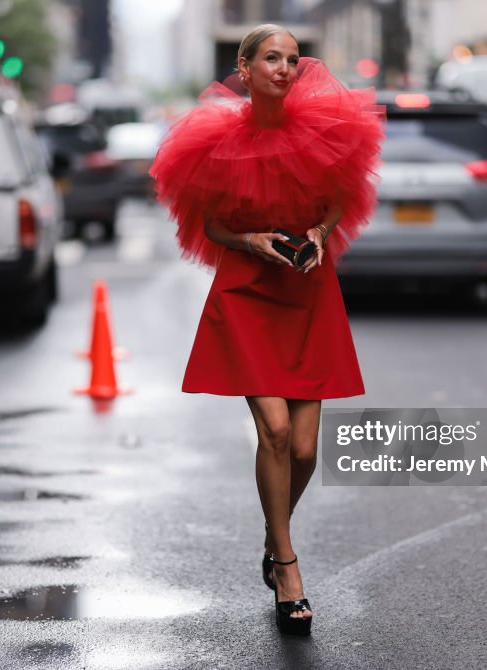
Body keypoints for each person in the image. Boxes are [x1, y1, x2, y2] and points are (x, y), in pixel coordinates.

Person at [150, 24, 383, 636]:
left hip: (307, 291)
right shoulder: (217, 138)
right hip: (247, 295)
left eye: (293, 60)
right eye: (272, 59)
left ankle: (271, 530)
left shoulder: (327, 126)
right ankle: (286, 566)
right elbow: (213, 225)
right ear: (245, 67)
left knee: (305, 449)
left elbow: (341, 197)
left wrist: (320, 233)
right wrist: (249, 239)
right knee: (275, 429)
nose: (284, 68)